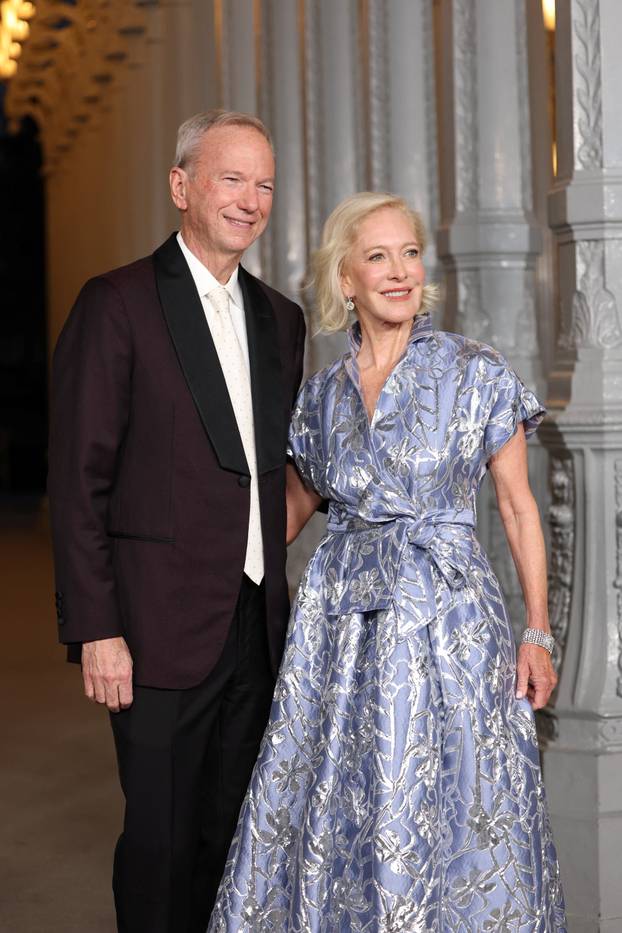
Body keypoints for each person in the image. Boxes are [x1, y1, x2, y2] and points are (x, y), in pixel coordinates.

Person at [208, 191, 567, 931]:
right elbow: (282, 518)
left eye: (410, 253)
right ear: (347, 278)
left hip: (450, 627)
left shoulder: (474, 370)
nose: (400, 271)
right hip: (340, 638)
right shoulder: (320, 399)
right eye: (378, 256)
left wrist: (537, 629)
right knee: (349, 800)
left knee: (461, 798)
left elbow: (518, 507)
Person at [47, 110, 306, 933]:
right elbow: (79, 479)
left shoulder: (282, 319)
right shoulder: (116, 304)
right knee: (159, 847)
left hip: (256, 627)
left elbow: (275, 467)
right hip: (154, 631)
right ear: (180, 185)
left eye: (264, 184)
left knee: (233, 843)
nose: (250, 200)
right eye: (232, 178)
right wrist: (97, 627)